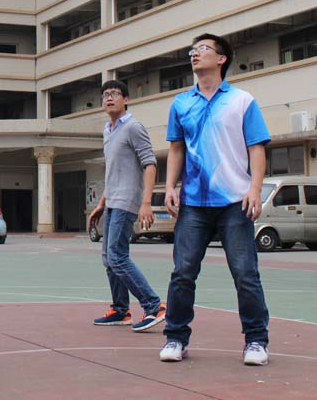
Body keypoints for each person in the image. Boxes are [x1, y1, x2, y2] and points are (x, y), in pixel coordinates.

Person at [160, 33, 272, 366]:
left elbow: (256, 147)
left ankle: (256, 341)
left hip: (235, 202)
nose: (194, 54)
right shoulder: (181, 103)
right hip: (193, 203)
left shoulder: (242, 101)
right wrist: (170, 187)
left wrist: (255, 189)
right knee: (183, 273)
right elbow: (176, 149)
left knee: (245, 274)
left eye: (202, 49)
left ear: (221, 58)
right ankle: (176, 338)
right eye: (192, 50)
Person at [88, 80, 166, 332]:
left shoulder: (133, 127)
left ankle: (154, 305)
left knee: (117, 257)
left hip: (127, 200)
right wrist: (101, 203)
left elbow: (150, 163)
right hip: (112, 201)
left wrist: (147, 203)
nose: (109, 98)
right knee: (108, 258)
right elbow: (113, 171)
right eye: (105, 95)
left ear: (126, 99)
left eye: (115, 94)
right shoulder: (108, 130)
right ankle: (120, 310)